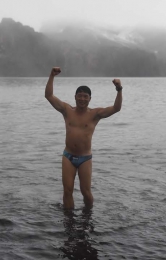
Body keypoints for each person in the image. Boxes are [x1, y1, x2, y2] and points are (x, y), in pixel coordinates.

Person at [45, 67, 123, 209]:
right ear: (75, 97)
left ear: (89, 99)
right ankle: (68, 221)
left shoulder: (95, 114)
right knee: (67, 191)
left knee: (86, 192)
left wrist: (119, 89)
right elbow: (49, 96)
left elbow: (116, 108)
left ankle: (87, 216)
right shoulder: (67, 110)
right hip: (68, 156)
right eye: (79, 95)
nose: (82, 98)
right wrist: (52, 75)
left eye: (85, 96)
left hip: (85, 158)